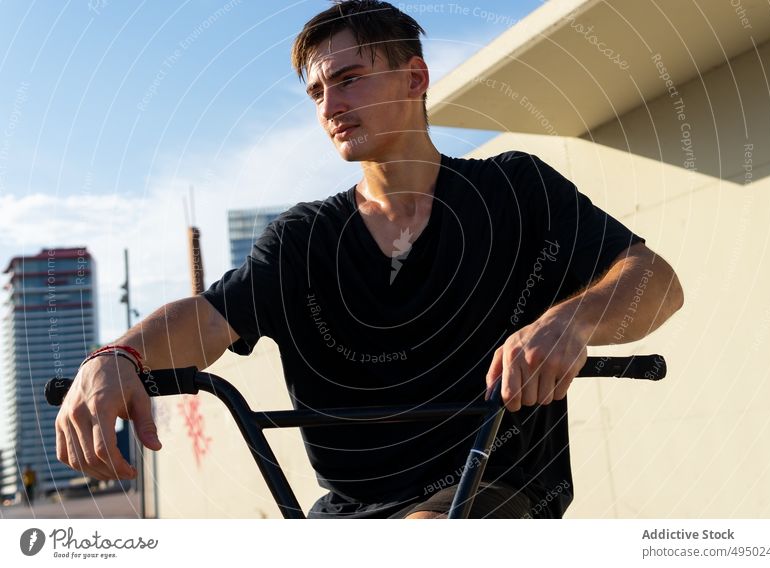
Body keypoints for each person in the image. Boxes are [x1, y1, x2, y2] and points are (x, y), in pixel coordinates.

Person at [55, 0, 683, 518]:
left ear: (415, 79)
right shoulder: (302, 240)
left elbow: (655, 282)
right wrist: (117, 355)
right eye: (316, 92)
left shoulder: (517, 192)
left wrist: (571, 321)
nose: (329, 107)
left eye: (349, 79)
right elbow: (211, 319)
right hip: (346, 518)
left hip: (493, 502)